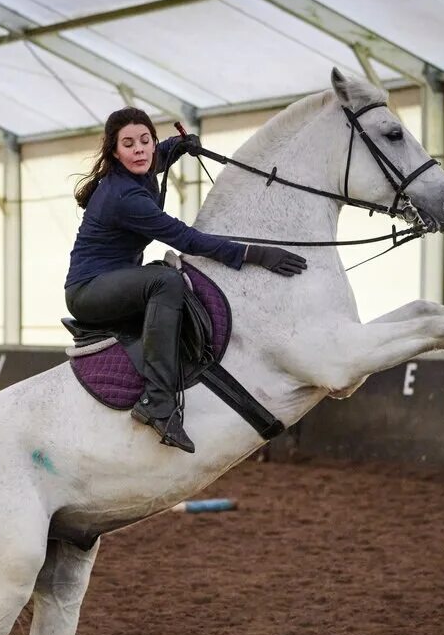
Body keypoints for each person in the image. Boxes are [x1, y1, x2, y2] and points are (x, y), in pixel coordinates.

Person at [65, 107, 308, 453]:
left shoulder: (142, 168)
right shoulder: (126, 197)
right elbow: (187, 240)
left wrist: (178, 144)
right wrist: (257, 254)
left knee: (165, 279)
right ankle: (158, 403)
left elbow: (158, 155)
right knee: (166, 282)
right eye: (129, 144)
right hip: (89, 291)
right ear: (114, 152)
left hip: (112, 279)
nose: (140, 150)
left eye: (145, 140)